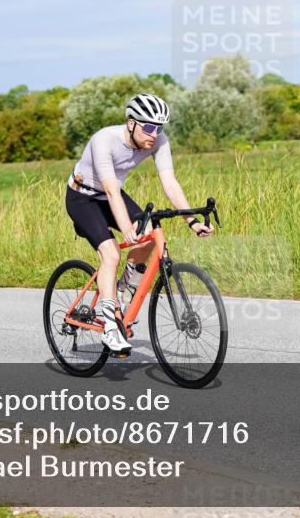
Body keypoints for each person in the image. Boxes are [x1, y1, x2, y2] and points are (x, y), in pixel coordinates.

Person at [65, 93, 213, 355]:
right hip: (83, 197)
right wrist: (126, 229)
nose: (154, 134)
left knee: (146, 235)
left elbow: (170, 182)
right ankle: (110, 325)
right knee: (111, 252)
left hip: (111, 193)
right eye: (148, 127)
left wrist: (192, 221)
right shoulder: (104, 140)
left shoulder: (157, 141)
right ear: (131, 123)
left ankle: (123, 290)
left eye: (159, 128)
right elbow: (110, 190)